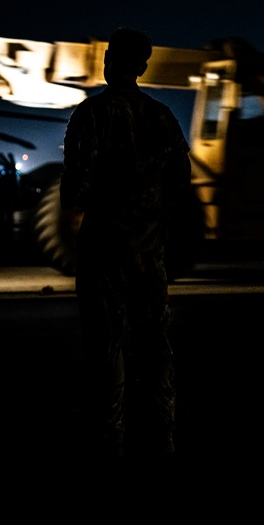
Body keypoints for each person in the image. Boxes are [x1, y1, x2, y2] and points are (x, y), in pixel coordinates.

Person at [60, 27, 192, 461]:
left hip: (104, 253)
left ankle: (107, 441)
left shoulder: (91, 115)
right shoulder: (162, 117)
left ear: (112, 61)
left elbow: (74, 191)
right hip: (149, 253)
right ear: (143, 67)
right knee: (155, 346)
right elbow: (180, 184)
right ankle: (161, 439)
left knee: (106, 347)